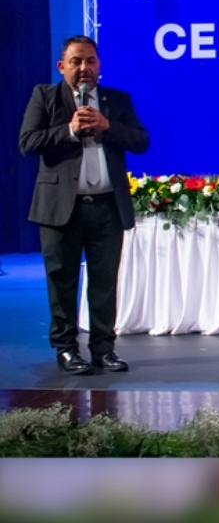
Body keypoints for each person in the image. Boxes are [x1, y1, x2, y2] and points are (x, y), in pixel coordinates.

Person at [19, 35, 149, 374]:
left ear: (99, 65)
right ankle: (65, 350)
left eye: (90, 61)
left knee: (104, 283)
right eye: (76, 62)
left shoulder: (116, 101)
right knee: (62, 283)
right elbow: (28, 142)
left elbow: (141, 141)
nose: (83, 68)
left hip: (106, 208)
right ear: (62, 66)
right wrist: (69, 130)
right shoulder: (45, 97)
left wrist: (108, 126)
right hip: (61, 210)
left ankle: (103, 349)